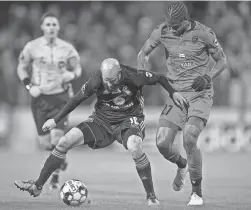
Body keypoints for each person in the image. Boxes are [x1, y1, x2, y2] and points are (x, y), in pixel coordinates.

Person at [14, 58, 187, 206]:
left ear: (119, 74)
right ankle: (37, 186)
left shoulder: (134, 76)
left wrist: (173, 93)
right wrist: (55, 120)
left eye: (112, 80)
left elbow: (160, 78)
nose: (108, 83)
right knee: (65, 141)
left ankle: (151, 197)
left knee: (135, 147)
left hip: (129, 119)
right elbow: (76, 100)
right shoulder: (96, 80)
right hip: (101, 120)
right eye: (106, 79)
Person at [137, 1, 227, 206]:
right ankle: (182, 164)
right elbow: (142, 54)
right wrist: (142, 77)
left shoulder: (204, 33)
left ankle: (196, 192)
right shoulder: (162, 31)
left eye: (176, 26)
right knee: (161, 143)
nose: (172, 29)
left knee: (189, 137)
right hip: (176, 95)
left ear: (186, 20)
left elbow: (222, 61)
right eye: (169, 25)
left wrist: (208, 77)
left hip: (199, 95)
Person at [17, 12, 82, 190]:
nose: (51, 27)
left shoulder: (67, 48)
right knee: (45, 144)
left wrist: (72, 74)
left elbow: (77, 68)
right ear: (42, 27)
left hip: (61, 98)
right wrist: (30, 86)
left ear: (58, 27)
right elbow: (21, 67)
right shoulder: (32, 47)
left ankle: (54, 176)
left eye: (54, 24)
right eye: (48, 24)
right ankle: (61, 160)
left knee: (57, 139)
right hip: (40, 99)